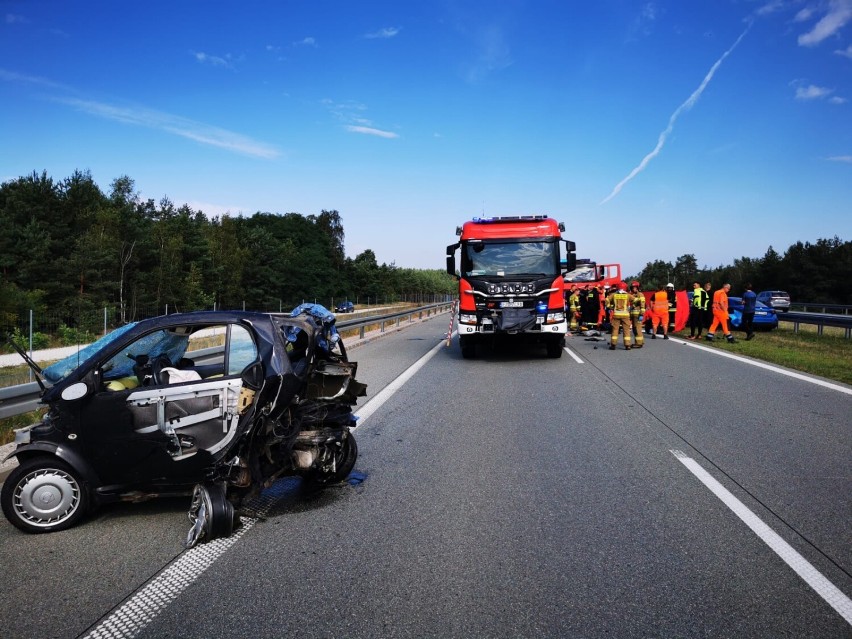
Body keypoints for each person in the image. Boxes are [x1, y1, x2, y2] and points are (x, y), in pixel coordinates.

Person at [606, 282, 633, 350]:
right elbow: (635, 300)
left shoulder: (614, 295)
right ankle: (627, 345)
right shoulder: (628, 295)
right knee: (626, 330)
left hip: (616, 314)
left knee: (615, 330)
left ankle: (613, 345)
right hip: (625, 315)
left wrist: (610, 307)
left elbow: (606, 300)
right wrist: (632, 307)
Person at [629, 281, 645, 348]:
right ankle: (640, 341)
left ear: (637, 288)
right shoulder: (632, 295)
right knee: (635, 329)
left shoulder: (640, 294)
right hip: (633, 315)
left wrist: (641, 314)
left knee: (637, 328)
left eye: (635, 288)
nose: (633, 289)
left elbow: (643, 305)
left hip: (638, 315)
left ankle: (638, 343)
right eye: (632, 288)